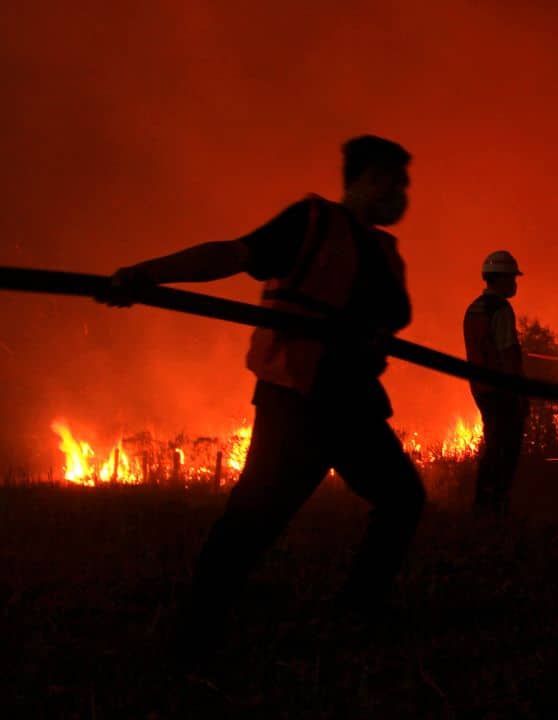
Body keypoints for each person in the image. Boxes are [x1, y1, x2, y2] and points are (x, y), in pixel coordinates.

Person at [98, 135, 424, 660]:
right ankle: (194, 632)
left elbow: (386, 317)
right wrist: (145, 276)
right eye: (392, 180)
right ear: (363, 179)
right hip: (297, 402)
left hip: (354, 404)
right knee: (254, 519)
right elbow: (232, 254)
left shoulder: (385, 252)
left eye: (404, 182)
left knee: (403, 499)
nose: (401, 192)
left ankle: (357, 608)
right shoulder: (312, 222)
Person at [463, 251, 528, 516]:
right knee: (506, 448)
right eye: (512, 277)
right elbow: (507, 352)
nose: (515, 283)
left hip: (481, 388)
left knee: (493, 445)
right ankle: (496, 505)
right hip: (503, 390)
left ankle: (483, 504)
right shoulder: (500, 309)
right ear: (500, 278)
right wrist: (519, 393)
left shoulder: (473, 308)